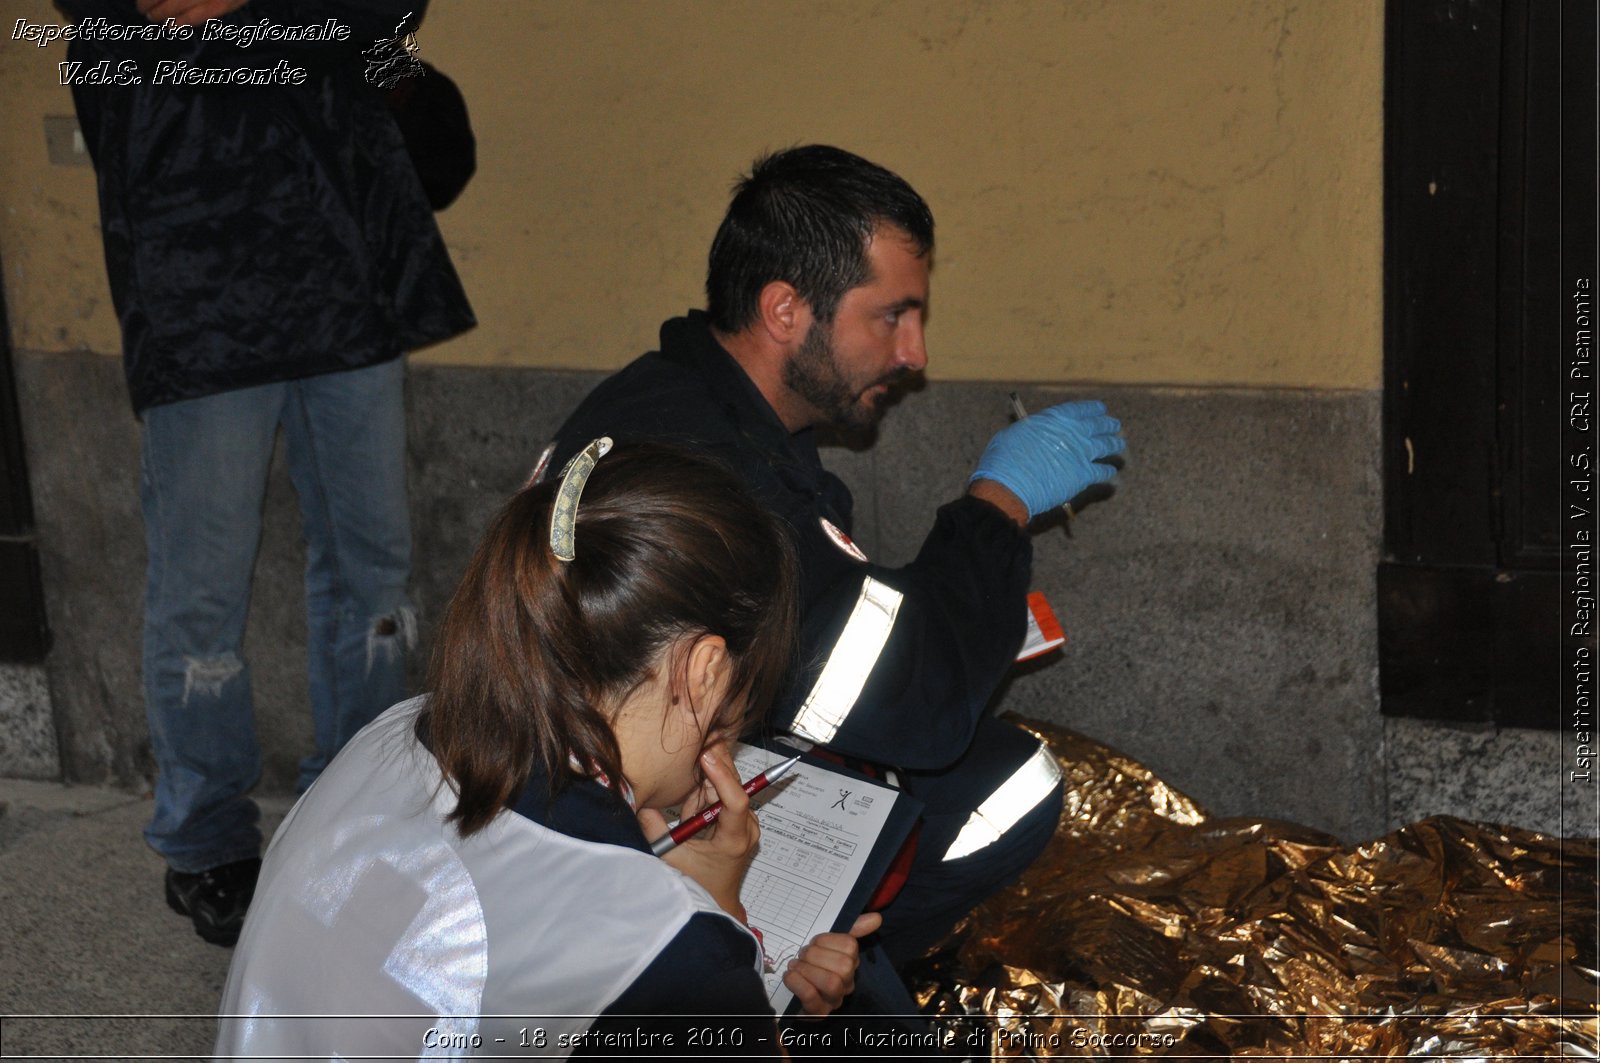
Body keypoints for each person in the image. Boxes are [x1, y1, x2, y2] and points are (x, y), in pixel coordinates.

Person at [551, 145, 1126, 985]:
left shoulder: (670, 393)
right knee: (1013, 782)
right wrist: (997, 506)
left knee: (994, 768)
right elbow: (911, 703)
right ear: (786, 310)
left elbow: (839, 633)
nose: (914, 353)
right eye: (890, 316)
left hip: (647, 783)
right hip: (615, 846)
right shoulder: (723, 477)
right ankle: (801, 985)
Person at [216, 441, 875, 1057]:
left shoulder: (391, 732)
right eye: (740, 688)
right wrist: (717, 917)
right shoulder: (671, 951)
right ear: (702, 670)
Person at [64, 0, 476, 945]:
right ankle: (207, 842)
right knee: (202, 594)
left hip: (349, 288)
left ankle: (357, 806)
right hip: (200, 300)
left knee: (373, 578)